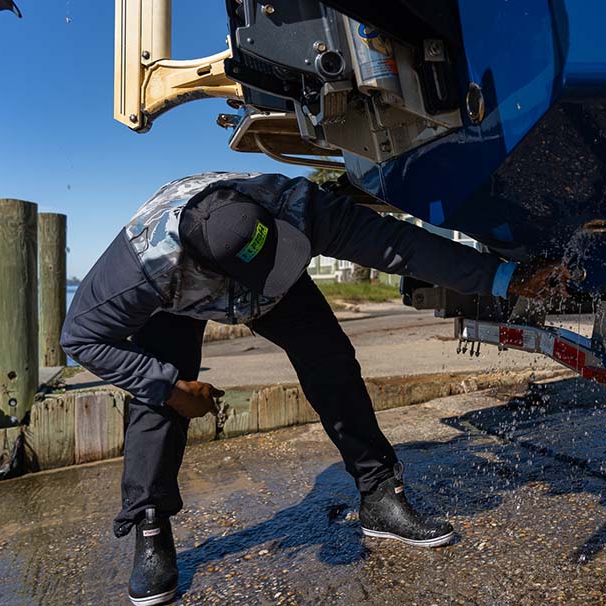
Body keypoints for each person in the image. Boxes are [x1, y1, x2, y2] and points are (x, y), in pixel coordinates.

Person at [61, 172, 565, 606]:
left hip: (268, 276)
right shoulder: (140, 270)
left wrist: (503, 279)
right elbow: (79, 337)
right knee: (158, 397)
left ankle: (378, 495)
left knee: (331, 360)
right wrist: (170, 387)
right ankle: (151, 527)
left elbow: (400, 245)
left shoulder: (294, 204)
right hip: (177, 301)